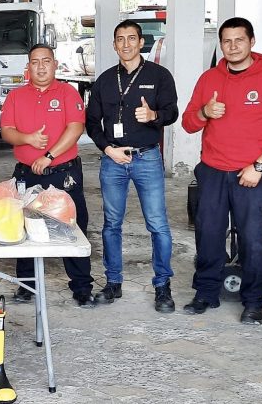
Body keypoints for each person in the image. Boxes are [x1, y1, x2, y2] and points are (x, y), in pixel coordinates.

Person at [182, 17, 262, 324]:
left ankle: (253, 301)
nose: (232, 47)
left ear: (251, 42)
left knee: (254, 239)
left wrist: (259, 165)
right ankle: (206, 292)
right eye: (227, 41)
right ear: (220, 45)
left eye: (239, 40)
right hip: (212, 171)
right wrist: (205, 112)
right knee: (208, 234)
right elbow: (188, 123)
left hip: (252, 173)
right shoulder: (209, 79)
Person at [85, 20, 179, 313]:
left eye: (131, 39)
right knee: (111, 225)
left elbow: (172, 112)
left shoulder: (159, 76)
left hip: (147, 158)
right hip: (113, 161)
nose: (125, 44)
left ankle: (162, 286)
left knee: (158, 225)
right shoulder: (103, 80)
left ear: (141, 43)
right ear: (114, 45)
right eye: (120, 39)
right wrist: (108, 149)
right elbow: (91, 122)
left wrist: (153, 115)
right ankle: (113, 282)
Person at [0, 43, 96, 308]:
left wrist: (49, 156)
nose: (40, 67)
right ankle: (26, 284)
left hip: (63, 174)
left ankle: (81, 286)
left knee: (72, 228)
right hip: (26, 175)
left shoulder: (67, 93)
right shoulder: (16, 97)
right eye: (35, 62)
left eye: (46, 61)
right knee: (24, 227)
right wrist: (27, 138)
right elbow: (6, 131)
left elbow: (76, 128)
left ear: (55, 64)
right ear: (28, 67)